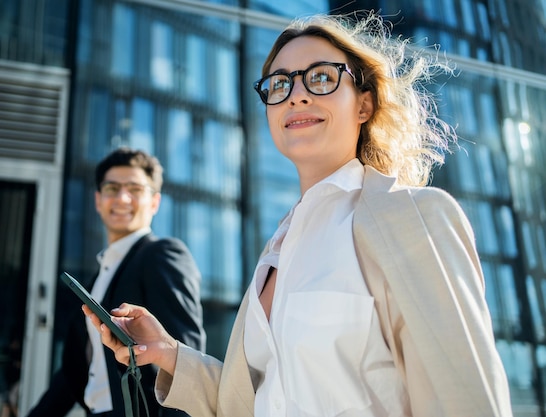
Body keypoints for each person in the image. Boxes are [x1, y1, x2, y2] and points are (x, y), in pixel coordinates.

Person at [85, 11, 513, 417]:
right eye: (279, 84)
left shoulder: (416, 218)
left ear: (364, 105)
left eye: (322, 77)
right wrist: (166, 352)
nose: (298, 94)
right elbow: (256, 399)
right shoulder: (277, 250)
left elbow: (465, 397)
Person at [28, 147, 206, 417]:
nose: (122, 198)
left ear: (154, 202)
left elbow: (185, 357)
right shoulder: (98, 277)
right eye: (112, 188)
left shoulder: (163, 254)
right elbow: (73, 371)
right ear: (98, 200)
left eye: (135, 189)